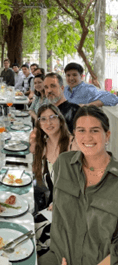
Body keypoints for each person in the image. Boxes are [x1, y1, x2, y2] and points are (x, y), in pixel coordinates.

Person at [38, 106, 118, 265]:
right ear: (74, 134)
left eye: (94, 131)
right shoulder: (63, 163)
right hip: (57, 257)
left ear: (107, 135)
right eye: (81, 130)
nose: (87, 137)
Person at [30, 104, 78, 256]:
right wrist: (34, 136)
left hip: (71, 207)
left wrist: (59, 201)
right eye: (43, 119)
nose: (48, 123)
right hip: (51, 205)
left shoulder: (73, 144)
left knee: (33, 230)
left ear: (60, 119)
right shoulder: (43, 145)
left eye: (52, 117)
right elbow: (31, 148)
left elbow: (81, 183)